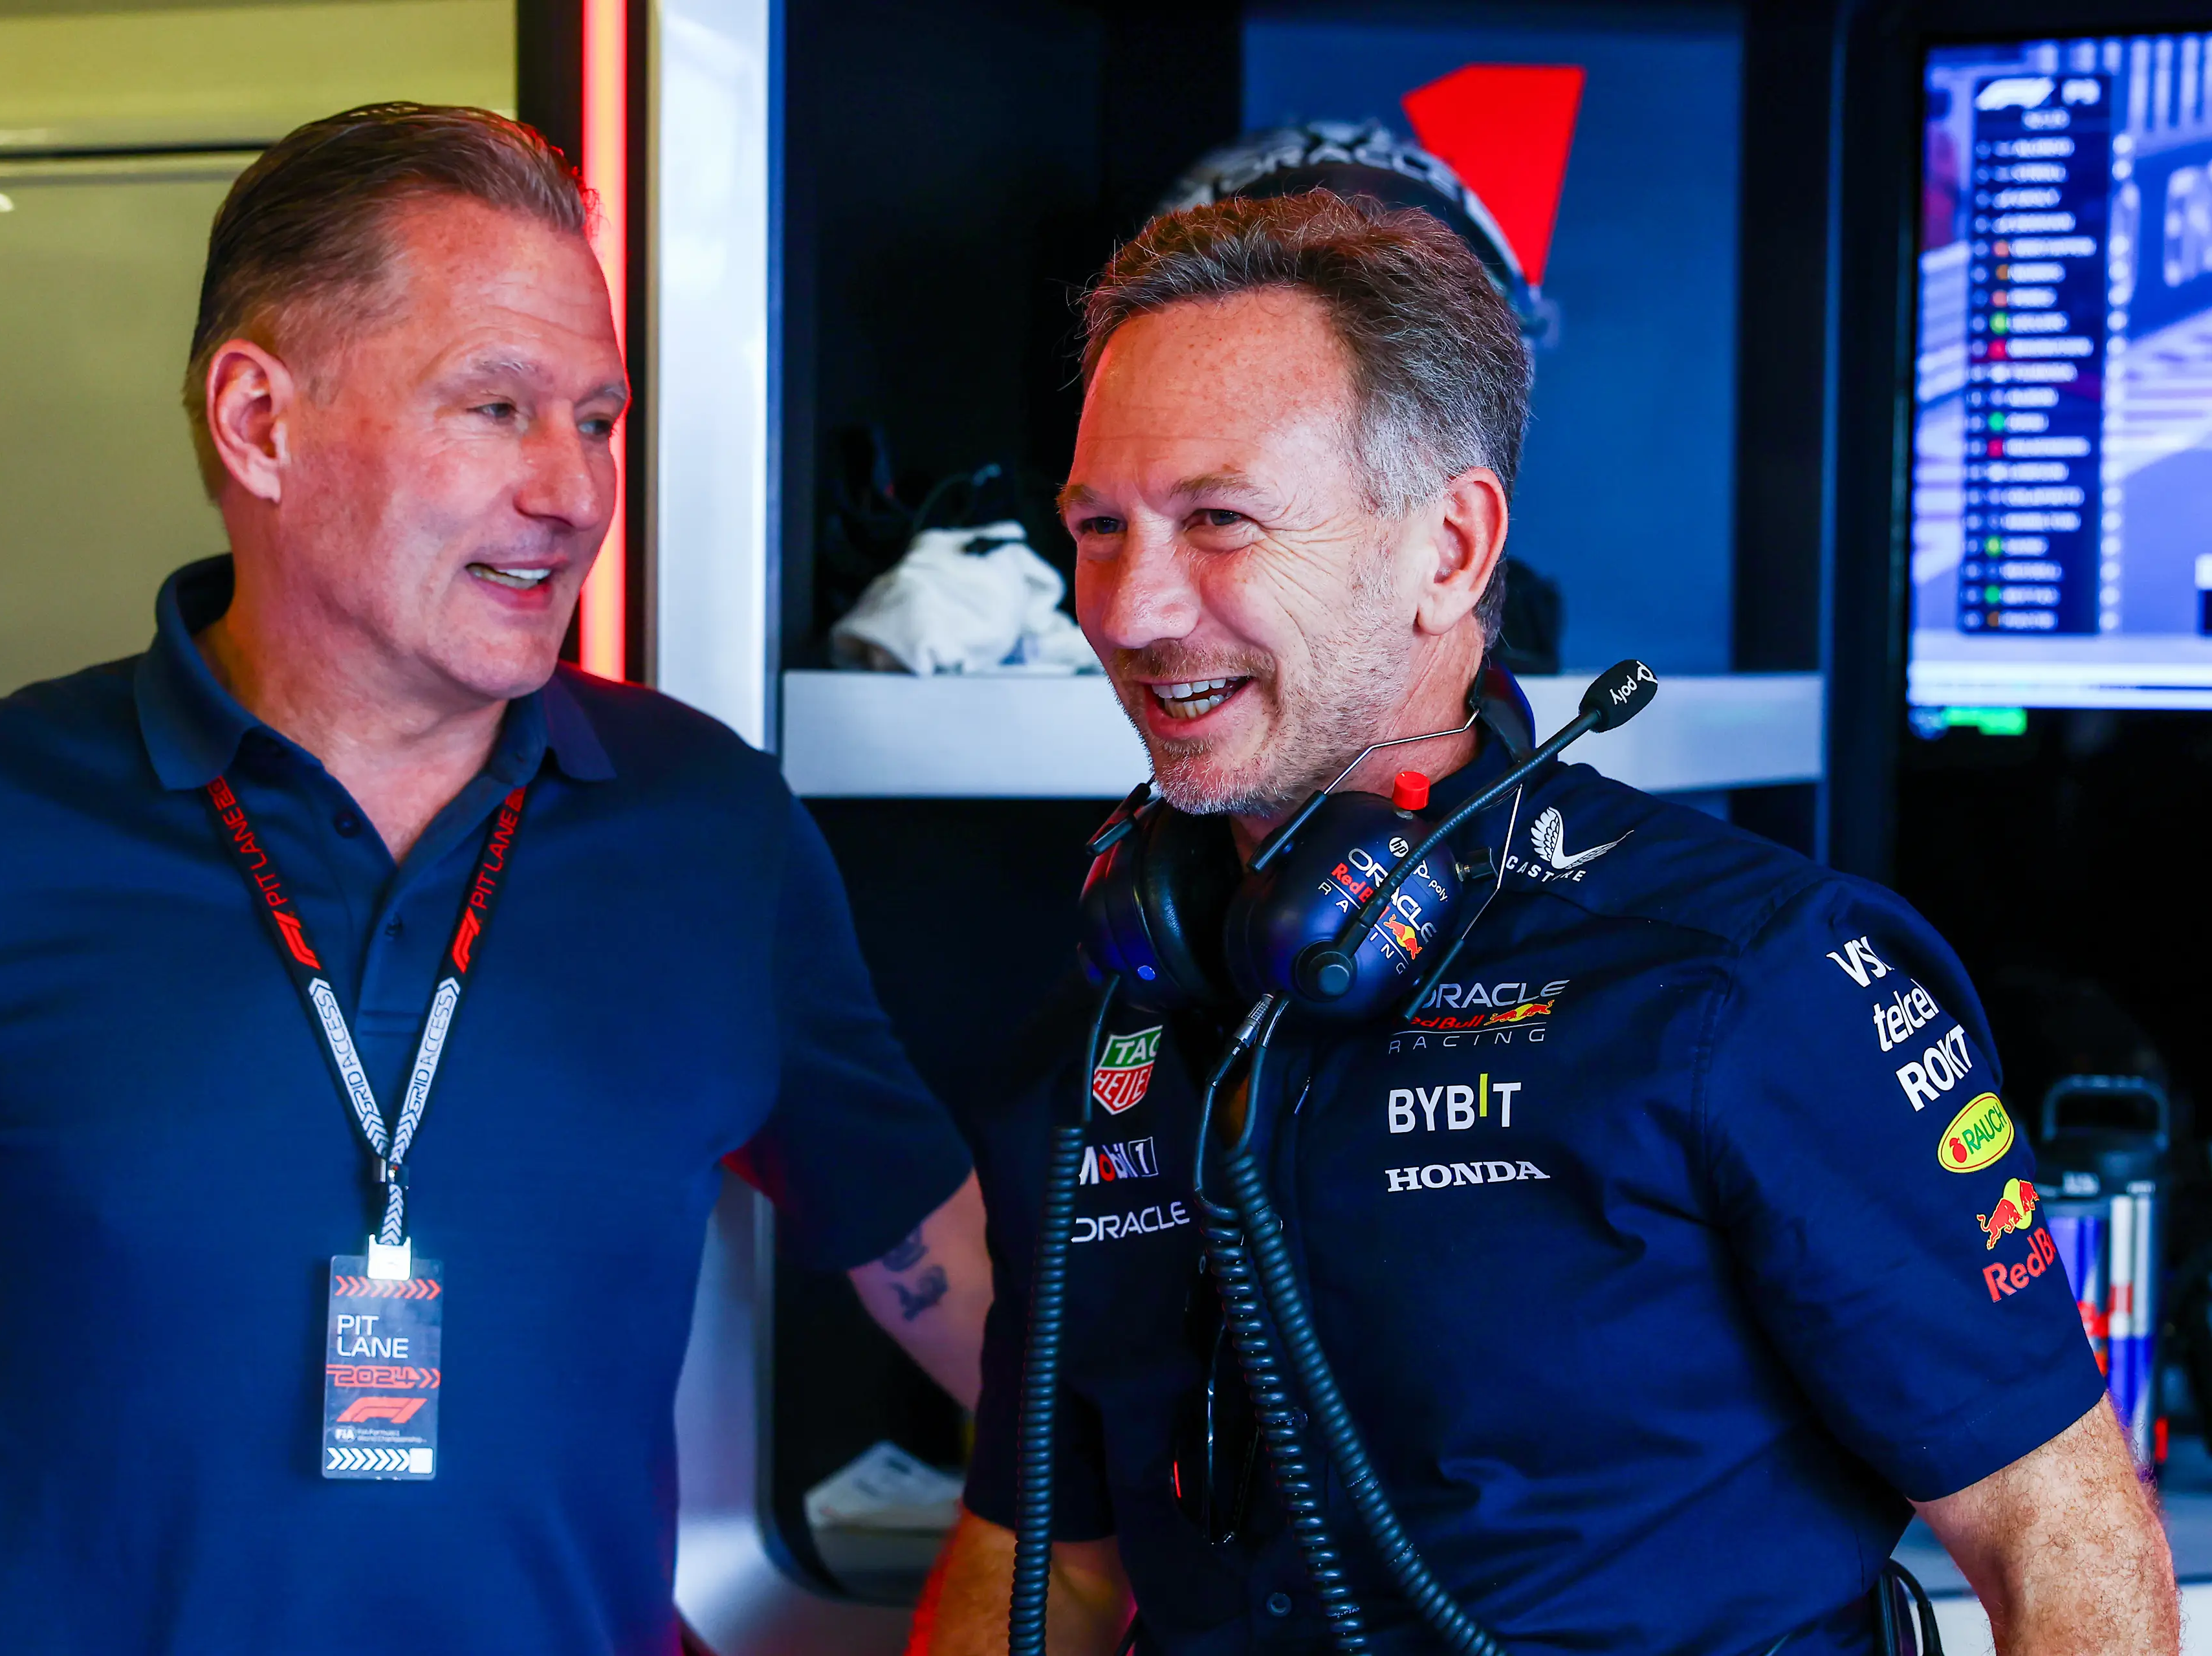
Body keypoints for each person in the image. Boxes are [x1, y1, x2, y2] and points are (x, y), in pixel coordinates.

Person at [0, 104, 987, 1656]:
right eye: (497, 407)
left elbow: (949, 1268)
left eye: (596, 418)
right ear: (260, 421)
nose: (575, 491)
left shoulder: (708, 827)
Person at [913, 193, 2176, 1654]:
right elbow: (1048, 1567)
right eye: (1097, 528)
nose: (1129, 609)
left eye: (1218, 520)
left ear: (1450, 547)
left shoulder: (1751, 980)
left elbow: (2064, 1541)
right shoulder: (1116, 1009)